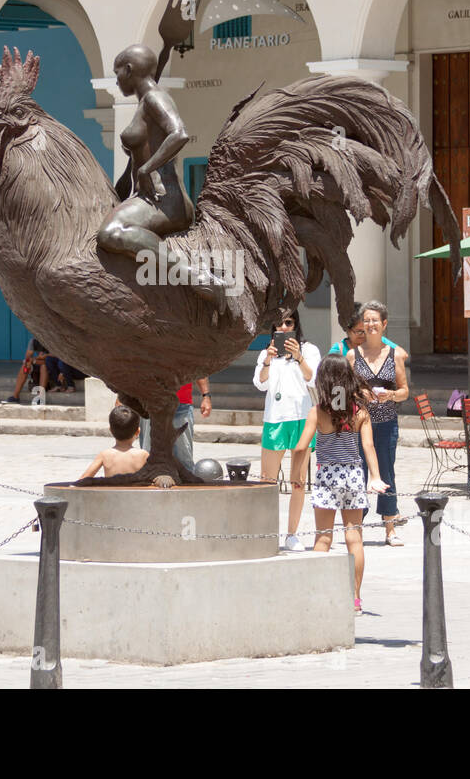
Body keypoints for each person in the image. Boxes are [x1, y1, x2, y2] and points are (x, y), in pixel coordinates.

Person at [96, 44, 225, 305]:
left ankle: (196, 279)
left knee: (111, 231)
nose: (116, 79)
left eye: (117, 72)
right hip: (148, 198)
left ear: (129, 70)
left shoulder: (156, 98)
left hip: (165, 202)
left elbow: (179, 133)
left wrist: (146, 168)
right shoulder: (144, 103)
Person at [291, 354, 388, 613]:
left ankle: (316, 594)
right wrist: (375, 477)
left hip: (326, 477)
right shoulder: (360, 412)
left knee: (323, 537)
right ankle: (354, 598)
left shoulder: (318, 412)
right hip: (353, 475)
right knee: (354, 538)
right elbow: (368, 446)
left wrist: (295, 475)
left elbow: (301, 448)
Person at [255, 308, 322, 551]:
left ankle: (292, 534)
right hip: (275, 419)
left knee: (298, 481)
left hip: (301, 419)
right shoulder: (266, 352)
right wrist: (268, 361)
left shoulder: (310, 350)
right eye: (279, 324)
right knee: (267, 480)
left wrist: (299, 357)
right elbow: (259, 383)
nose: (283, 328)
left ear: (296, 325)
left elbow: (313, 378)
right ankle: (266, 531)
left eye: (288, 323)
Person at [346, 300, 409, 546]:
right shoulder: (353, 355)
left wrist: (391, 395)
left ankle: (390, 528)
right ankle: (356, 526)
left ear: (384, 324)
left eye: (375, 320)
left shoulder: (395, 355)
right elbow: (344, 389)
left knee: (386, 471)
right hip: (359, 423)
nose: (371, 324)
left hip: (385, 422)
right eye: (367, 320)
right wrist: (357, 395)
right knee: (357, 472)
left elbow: (405, 391)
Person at [135, 378, 211, 474]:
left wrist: (206, 396)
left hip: (181, 405)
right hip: (150, 403)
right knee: (148, 457)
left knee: (184, 460)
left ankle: (185, 486)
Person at [79, 405, 149, 479]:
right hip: (136, 490)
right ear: (138, 432)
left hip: (110, 490)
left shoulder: (105, 455)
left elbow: (83, 479)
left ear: (111, 430)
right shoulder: (143, 455)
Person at [329, 302, 398, 357]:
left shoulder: (381, 342)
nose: (364, 335)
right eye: (359, 332)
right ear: (347, 329)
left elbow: (401, 354)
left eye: (367, 330)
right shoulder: (338, 351)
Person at [3, 339, 50, 404]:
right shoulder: (34, 341)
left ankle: (40, 397)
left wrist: (37, 359)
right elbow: (28, 357)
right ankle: (15, 396)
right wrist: (28, 363)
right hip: (39, 363)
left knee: (44, 366)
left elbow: (52, 360)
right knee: (25, 367)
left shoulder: (52, 339)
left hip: (52, 368)